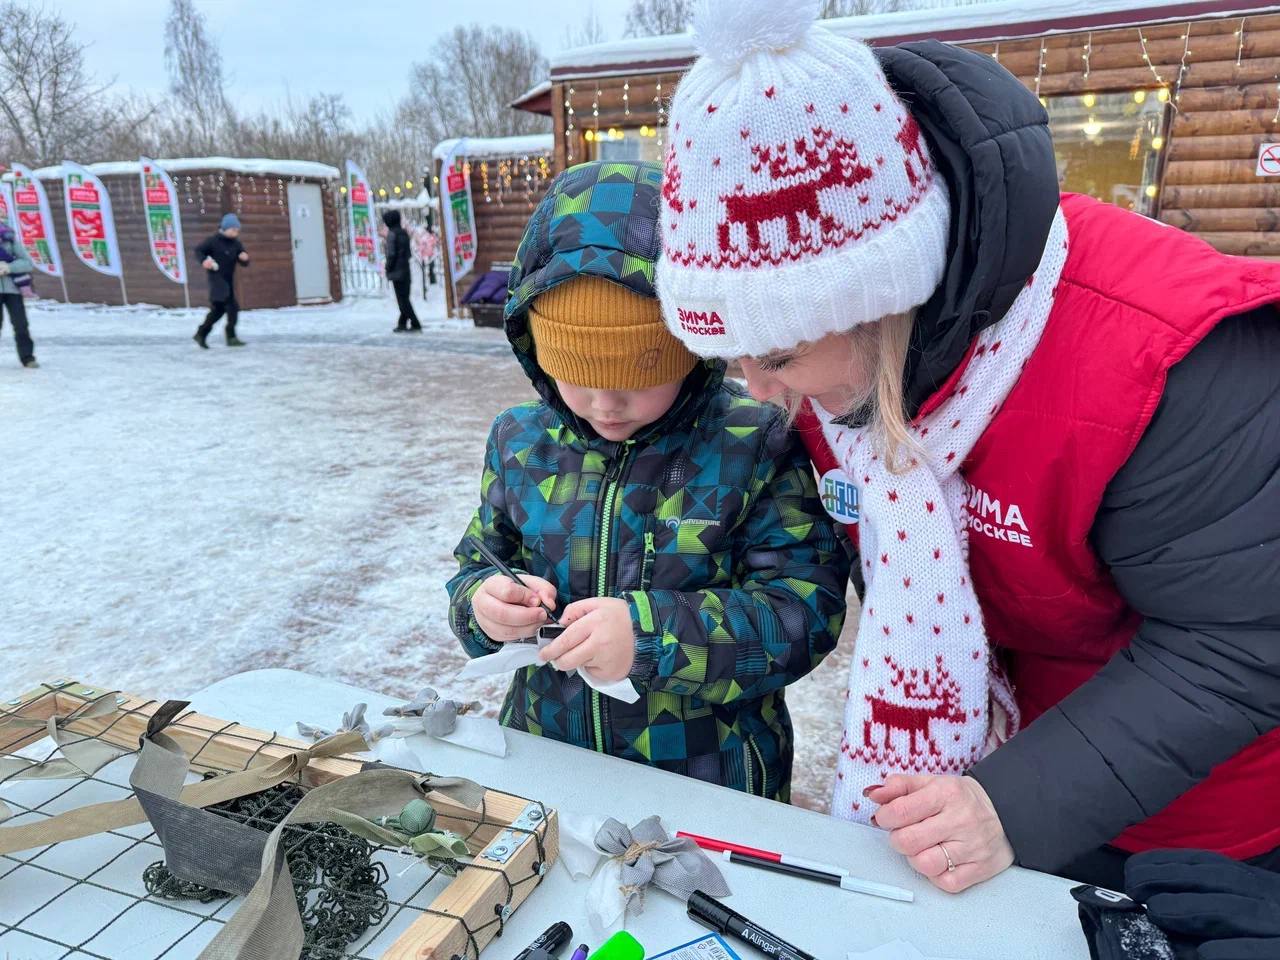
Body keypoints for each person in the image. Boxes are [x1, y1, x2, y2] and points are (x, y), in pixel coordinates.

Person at [657, 0, 1280, 892]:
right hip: (986, 779)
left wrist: (1020, 802)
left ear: (880, 299)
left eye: (779, 356)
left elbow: (1239, 642)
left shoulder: (1160, 356)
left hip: (1195, 820)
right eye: (734, 358)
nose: (757, 390)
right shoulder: (843, 376)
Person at [447, 160, 849, 799]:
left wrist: (649, 636)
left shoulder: (754, 441)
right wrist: (482, 606)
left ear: (690, 346)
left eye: (639, 377)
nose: (606, 404)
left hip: (710, 778)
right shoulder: (520, 441)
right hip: (549, 760)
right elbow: (478, 561)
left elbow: (803, 612)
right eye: (577, 375)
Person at [194, 213, 250, 349]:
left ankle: (201, 333)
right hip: (216, 279)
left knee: (219, 310)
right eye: (233, 229)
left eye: (237, 230)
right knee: (231, 307)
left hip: (228, 280)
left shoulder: (236, 243)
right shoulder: (213, 241)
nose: (235, 232)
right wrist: (204, 261)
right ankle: (230, 337)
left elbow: (243, 260)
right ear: (225, 228)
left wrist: (244, 258)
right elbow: (199, 251)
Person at [0, 223, 37, 368]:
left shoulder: (9, 239)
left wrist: (9, 267)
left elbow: (27, 263)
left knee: (21, 324)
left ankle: (27, 358)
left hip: (13, 290)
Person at [383, 209, 420, 333]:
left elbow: (391, 254)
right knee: (404, 298)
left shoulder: (392, 234)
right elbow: (408, 253)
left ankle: (415, 323)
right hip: (405, 269)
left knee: (402, 300)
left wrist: (388, 267)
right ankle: (402, 323)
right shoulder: (404, 233)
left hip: (396, 271)